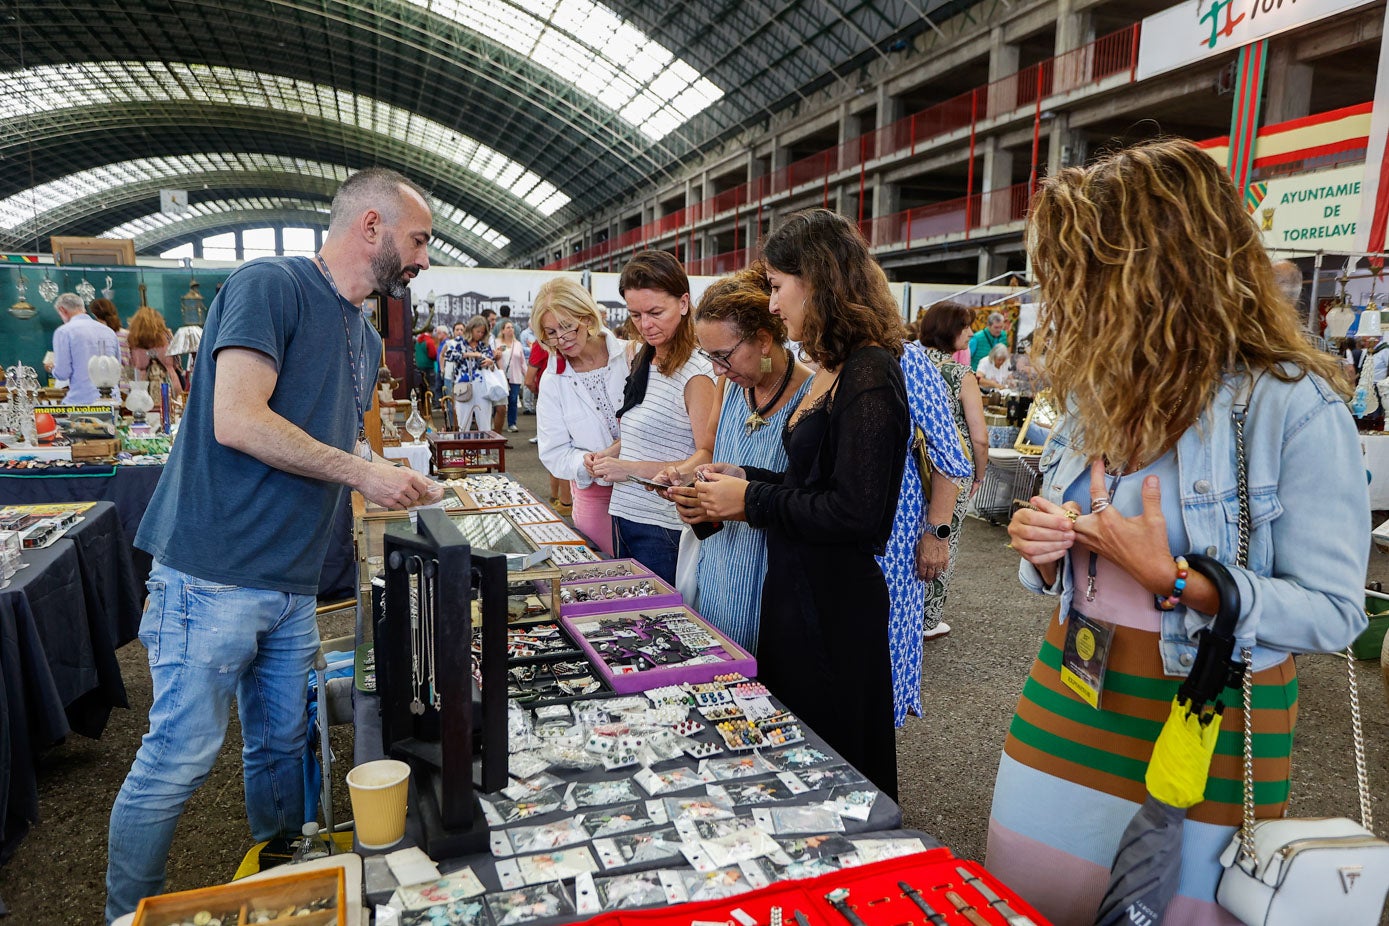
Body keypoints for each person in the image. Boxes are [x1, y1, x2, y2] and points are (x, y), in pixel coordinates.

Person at [989, 139, 1368, 925]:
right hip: (1067, 695)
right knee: (1026, 902)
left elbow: (1335, 611)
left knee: (1163, 909)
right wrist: (1043, 549)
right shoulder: (1102, 389)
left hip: (1199, 724)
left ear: (1156, 272)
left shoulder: (1289, 405)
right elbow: (1063, 558)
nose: (1062, 302)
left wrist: (1173, 577)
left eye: (1082, 275)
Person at [106, 168, 439, 922]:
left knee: (283, 744)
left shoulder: (358, 332)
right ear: (370, 227)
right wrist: (364, 472)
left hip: (289, 581)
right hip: (211, 571)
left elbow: (324, 435)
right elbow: (237, 419)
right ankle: (124, 914)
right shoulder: (272, 284)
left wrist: (386, 478)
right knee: (179, 759)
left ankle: (284, 887)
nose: (421, 259)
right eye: (416, 240)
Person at [690, 209, 909, 799]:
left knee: (835, 770)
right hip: (799, 595)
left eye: (781, 287)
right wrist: (747, 477)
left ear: (818, 281)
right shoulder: (840, 368)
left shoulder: (870, 373)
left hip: (832, 609)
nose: (777, 304)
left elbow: (859, 514)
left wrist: (751, 498)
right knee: (800, 763)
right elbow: (812, 483)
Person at [658, 265, 812, 652]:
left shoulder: (811, 394)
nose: (716, 369)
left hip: (771, 570)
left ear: (763, 341)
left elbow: (809, 493)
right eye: (709, 356)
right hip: (718, 561)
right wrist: (685, 479)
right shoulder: (728, 384)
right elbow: (710, 451)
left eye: (724, 356)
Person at [589, 250, 717, 583]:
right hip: (625, 514)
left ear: (684, 303)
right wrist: (610, 453)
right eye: (635, 314)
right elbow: (643, 434)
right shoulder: (645, 361)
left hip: (665, 526)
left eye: (655, 312)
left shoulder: (697, 374)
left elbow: (706, 455)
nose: (645, 325)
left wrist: (627, 469)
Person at [877, 337, 972, 726]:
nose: (774, 304)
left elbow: (950, 454)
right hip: (840, 542)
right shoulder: (810, 354)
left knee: (883, 666)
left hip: (897, 543)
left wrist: (937, 533)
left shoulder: (905, 358)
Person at [534, 278, 631, 554]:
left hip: (646, 490)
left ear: (587, 319)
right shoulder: (553, 379)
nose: (560, 340)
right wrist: (583, 462)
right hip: (595, 496)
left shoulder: (630, 355)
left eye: (566, 328)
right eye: (550, 332)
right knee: (603, 574)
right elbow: (553, 451)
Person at [917, 301, 991, 639]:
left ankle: (903, 610)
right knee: (944, 537)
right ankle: (928, 620)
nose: (972, 333)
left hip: (914, 464)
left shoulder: (908, 363)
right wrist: (979, 473)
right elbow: (979, 436)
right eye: (966, 327)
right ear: (951, 329)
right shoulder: (960, 374)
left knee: (911, 537)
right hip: (950, 469)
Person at [525, 337, 572, 513]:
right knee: (559, 449)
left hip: (554, 397)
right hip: (567, 396)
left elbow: (529, 379)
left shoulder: (541, 344)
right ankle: (559, 498)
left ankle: (563, 500)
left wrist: (541, 394)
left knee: (557, 449)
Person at [47, 292, 119, 403]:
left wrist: (52, 368)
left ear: (62, 310)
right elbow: (116, 367)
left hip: (82, 402)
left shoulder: (64, 332)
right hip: (113, 400)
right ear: (83, 308)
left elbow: (62, 373)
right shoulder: (108, 331)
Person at [127, 305, 185, 413]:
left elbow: (133, 364)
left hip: (143, 383)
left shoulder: (133, 339)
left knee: (145, 411)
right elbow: (177, 361)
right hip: (168, 379)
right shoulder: (166, 335)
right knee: (171, 410)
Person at [448, 315, 496, 431]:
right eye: (478, 331)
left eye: (482, 332)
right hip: (463, 386)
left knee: (485, 422)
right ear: (471, 329)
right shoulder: (459, 342)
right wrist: (470, 354)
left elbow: (492, 363)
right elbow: (448, 355)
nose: (480, 334)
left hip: (482, 386)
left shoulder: (484, 344)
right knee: (463, 423)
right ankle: (464, 448)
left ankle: (485, 448)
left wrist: (490, 362)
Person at [493, 320, 528, 433]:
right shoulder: (497, 342)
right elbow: (492, 357)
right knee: (499, 401)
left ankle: (512, 423)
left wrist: (527, 374)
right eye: (508, 327)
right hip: (500, 376)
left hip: (515, 376)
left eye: (512, 327)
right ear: (502, 330)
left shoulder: (517, 344)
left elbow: (522, 361)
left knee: (513, 400)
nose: (510, 329)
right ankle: (496, 423)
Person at [89, 298, 130, 369]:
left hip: (103, 376)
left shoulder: (94, 335)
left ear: (94, 314)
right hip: (124, 376)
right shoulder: (126, 334)